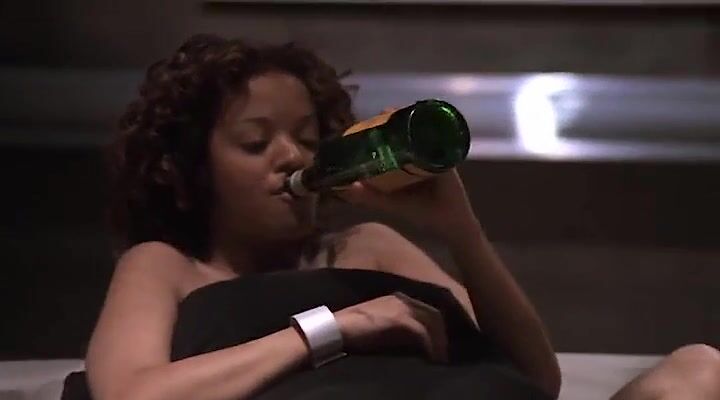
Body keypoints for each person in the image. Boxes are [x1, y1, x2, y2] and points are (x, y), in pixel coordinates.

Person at [62, 33, 563, 400]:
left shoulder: (368, 245)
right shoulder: (167, 265)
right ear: (190, 167)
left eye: (306, 138)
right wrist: (338, 328)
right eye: (255, 142)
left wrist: (460, 229)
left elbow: (536, 378)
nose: (293, 156)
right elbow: (131, 394)